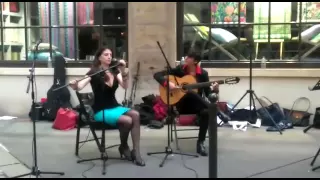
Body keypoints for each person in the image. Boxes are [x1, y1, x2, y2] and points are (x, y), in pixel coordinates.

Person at [69, 47, 145, 166]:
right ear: (99, 57)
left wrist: (124, 70)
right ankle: (124, 146)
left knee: (135, 114)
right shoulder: (94, 72)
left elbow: (125, 86)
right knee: (127, 120)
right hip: (100, 110)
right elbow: (80, 86)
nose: (109, 56)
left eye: (110, 54)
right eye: (106, 54)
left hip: (114, 106)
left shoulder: (115, 71)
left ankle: (136, 151)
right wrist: (74, 85)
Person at [153, 51, 219, 156]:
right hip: (181, 104)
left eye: (189, 57)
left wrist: (215, 90)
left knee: (206, 111)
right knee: (190, 92)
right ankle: (219, 113)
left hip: (197, 104)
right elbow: (157, 74)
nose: (186, 58)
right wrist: (166, 83)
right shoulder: (179, 70)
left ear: (195, 61)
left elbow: (208, 94)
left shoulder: (203, 74)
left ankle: (200, 142)